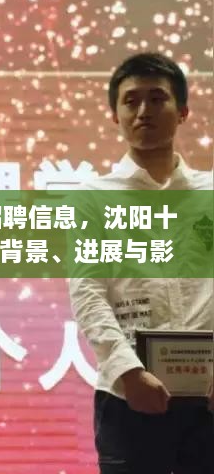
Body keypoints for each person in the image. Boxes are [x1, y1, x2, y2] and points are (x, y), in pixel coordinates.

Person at [69, 52, 213, 473]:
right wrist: (128, 372)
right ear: (115, 116)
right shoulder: (92, 198)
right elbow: (88, 291)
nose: (144, 111)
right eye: (131, 101)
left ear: (183, 111)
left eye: (157, 98)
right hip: (128, 396)